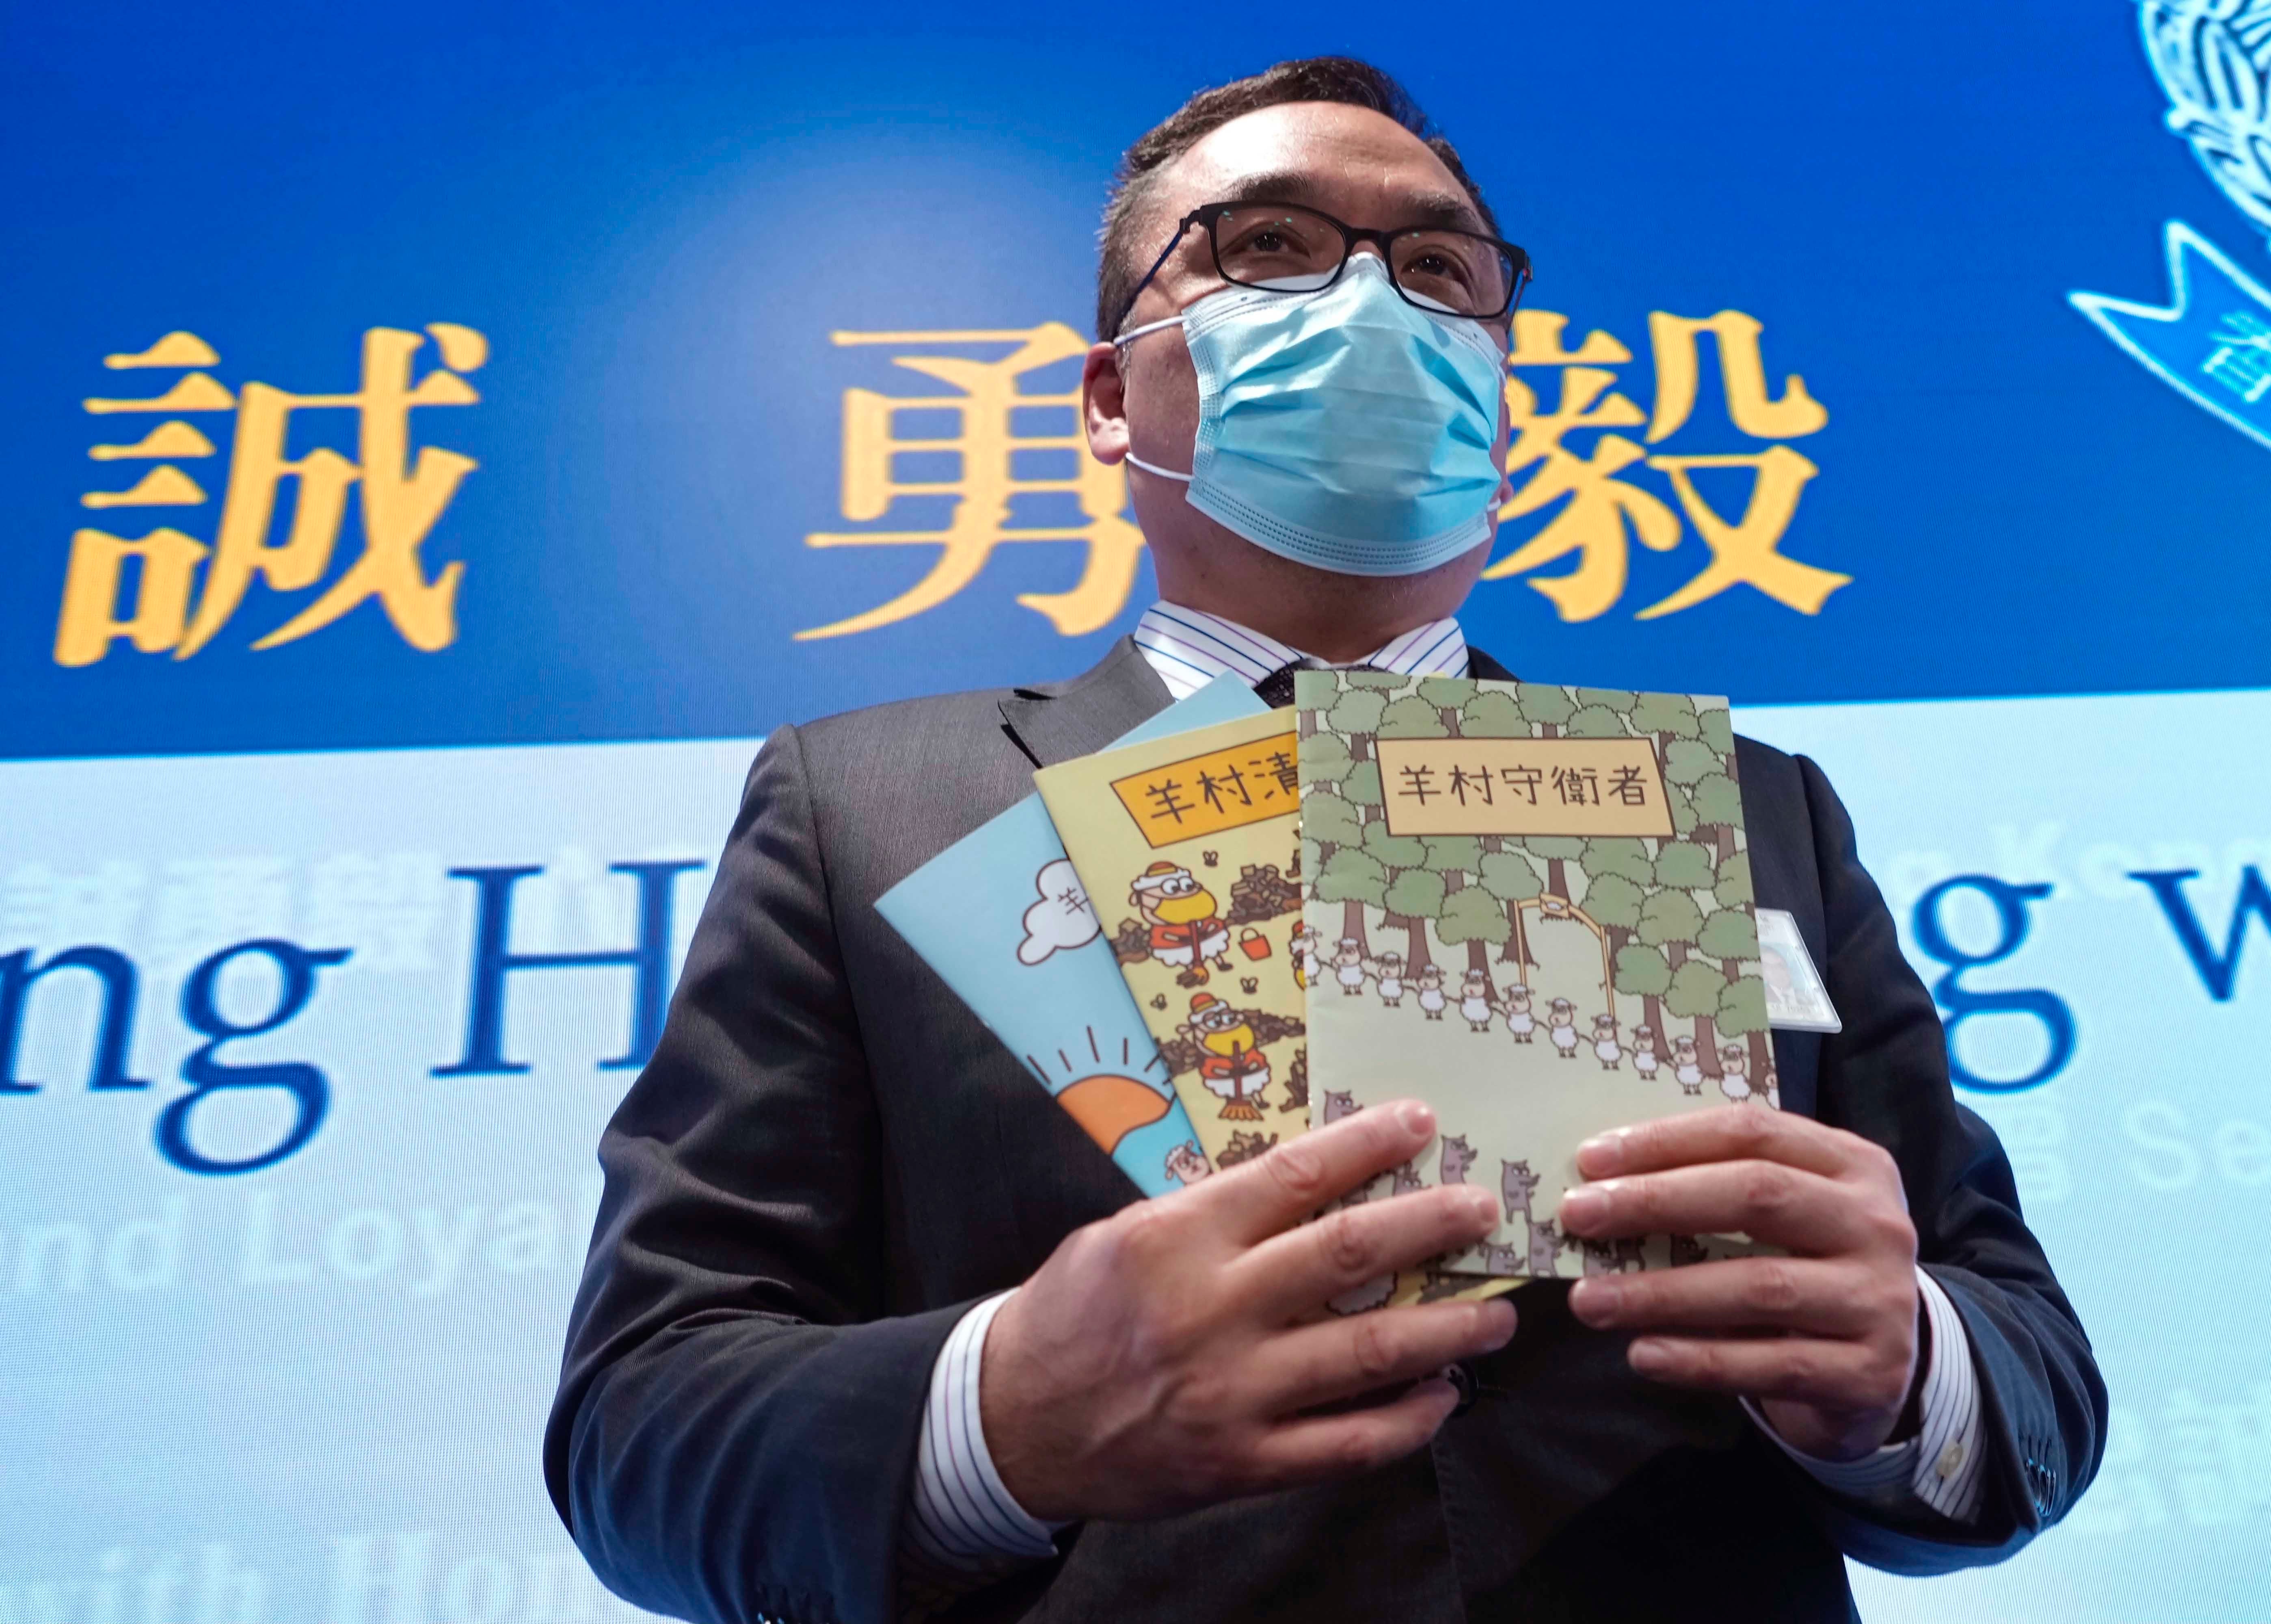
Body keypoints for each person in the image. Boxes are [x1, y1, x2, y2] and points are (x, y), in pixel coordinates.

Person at [546, 57, 2103, 1624]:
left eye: (1438, 270)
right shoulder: (862, 811)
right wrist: (1003, 1411)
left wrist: (1911, 1368)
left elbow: (2031, 1376)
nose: (1371, 305)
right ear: (1109, 396)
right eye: (1267, 248)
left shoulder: (1754, 805)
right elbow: (645, 1426)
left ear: (1498, 394)